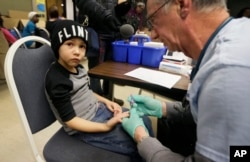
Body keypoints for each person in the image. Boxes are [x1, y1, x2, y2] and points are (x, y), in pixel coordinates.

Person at [121, 0, 250, 162]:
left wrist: (143, 140)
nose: (153, 34)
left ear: (182, 6)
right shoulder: (241, 31)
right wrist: (164, 108)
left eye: (154, 20)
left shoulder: (226, 72)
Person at [45, 19, 154, 161]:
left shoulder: (78, 68)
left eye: (82, 46)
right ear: (57, 45)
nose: (77, 52)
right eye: (70, 44)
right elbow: (70, 121)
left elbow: (87, 92)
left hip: (99, 109)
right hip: (84, 125)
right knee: (136, 144)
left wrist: (107, 102)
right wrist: (105, 126)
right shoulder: (57, 80)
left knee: (144, 120)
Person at [75, 0, 132, 106]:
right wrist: (105, 15)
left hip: (114, 31)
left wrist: (123, 11)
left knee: (110, 70)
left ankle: (108, 97)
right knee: (95, 70)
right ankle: (97, 99)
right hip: (97, 32)